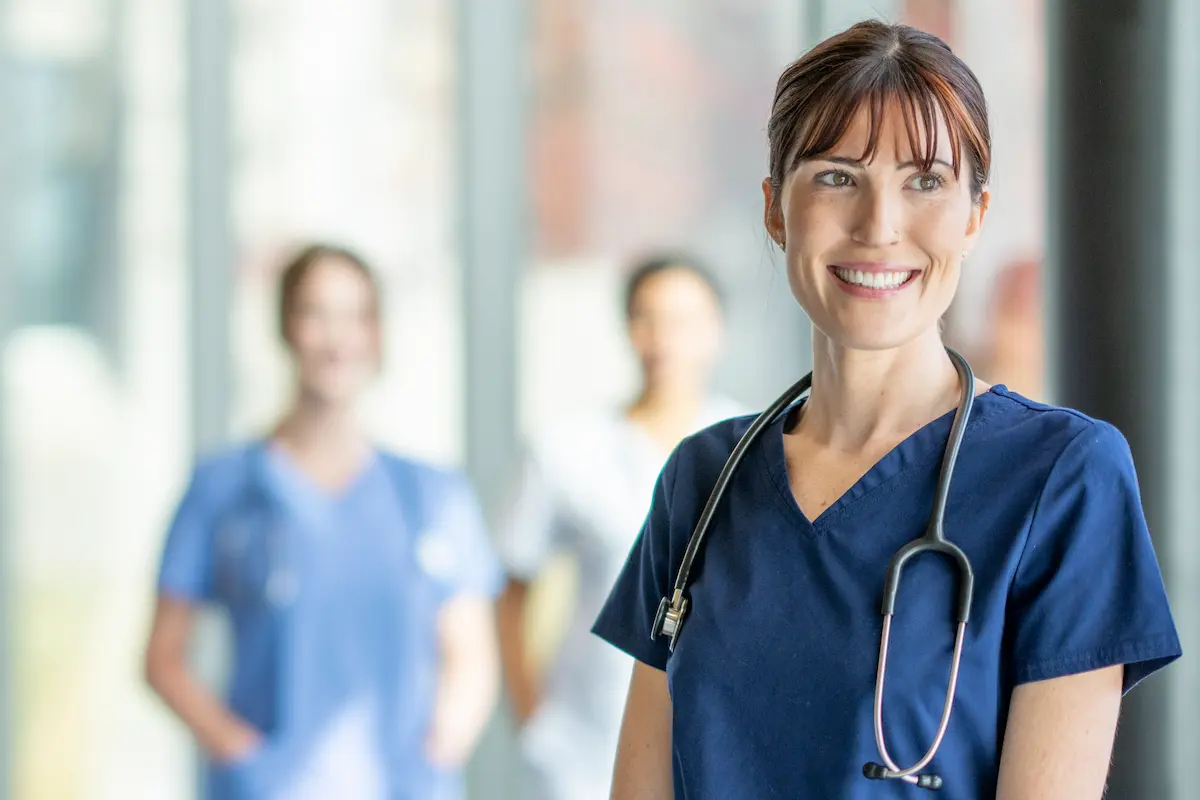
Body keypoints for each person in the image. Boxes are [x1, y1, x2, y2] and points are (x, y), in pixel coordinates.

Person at [592, 20, 1181, 799]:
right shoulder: (703, 482)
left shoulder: (1062, 479)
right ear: (775, 209)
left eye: (926, 181)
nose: (879, 227)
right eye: (837, 177)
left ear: (974, 215)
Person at [144, 243, 502, 799]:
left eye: (355, 316)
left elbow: (472, 658)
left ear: (376, 334)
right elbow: (162, 659)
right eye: (315, 313)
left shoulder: (430, 496)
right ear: (285, 327)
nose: (336, 339)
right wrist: (240, 754)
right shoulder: (225, 487)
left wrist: (435, 757)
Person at [495, 255, 743, 800]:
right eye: (647, 318)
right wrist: (533, 719)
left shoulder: (753, 453)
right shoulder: (569, 448)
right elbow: (510, 587)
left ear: (716, 333)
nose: (663, 340)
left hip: (708, 734)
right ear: (627, 329)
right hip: (585, 740)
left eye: (683, 322)